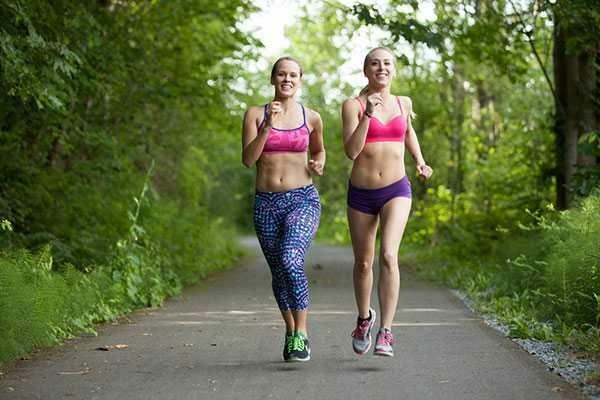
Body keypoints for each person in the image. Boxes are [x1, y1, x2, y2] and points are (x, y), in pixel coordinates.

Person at [341, 47, 433, 357]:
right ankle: (365, 319)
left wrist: (420, 161)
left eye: (387, 63)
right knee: (364, 263)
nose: (382, 68)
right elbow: (351, 151)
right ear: (365, 70)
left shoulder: (403, 103)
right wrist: (367, 113)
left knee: (389, 256)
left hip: (397, 188)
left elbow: (408, 133)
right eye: (375, 64)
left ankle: (386, 331)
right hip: (361, 193)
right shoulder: (352, 105)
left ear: (393, 70)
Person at [242, 56, 325, 362]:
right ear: (273, 78)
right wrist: (267, 126)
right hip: (266, 203)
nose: (287, 79)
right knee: (278, 271)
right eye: (281, 74)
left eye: (293, 75)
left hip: (302, 198)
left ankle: (302, 332)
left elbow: (319, 148)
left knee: (291, 259)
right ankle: (290, 332)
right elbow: (249, 159)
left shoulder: (312, 117)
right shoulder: (254, 114)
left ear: (300, 79)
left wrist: (319, 162)